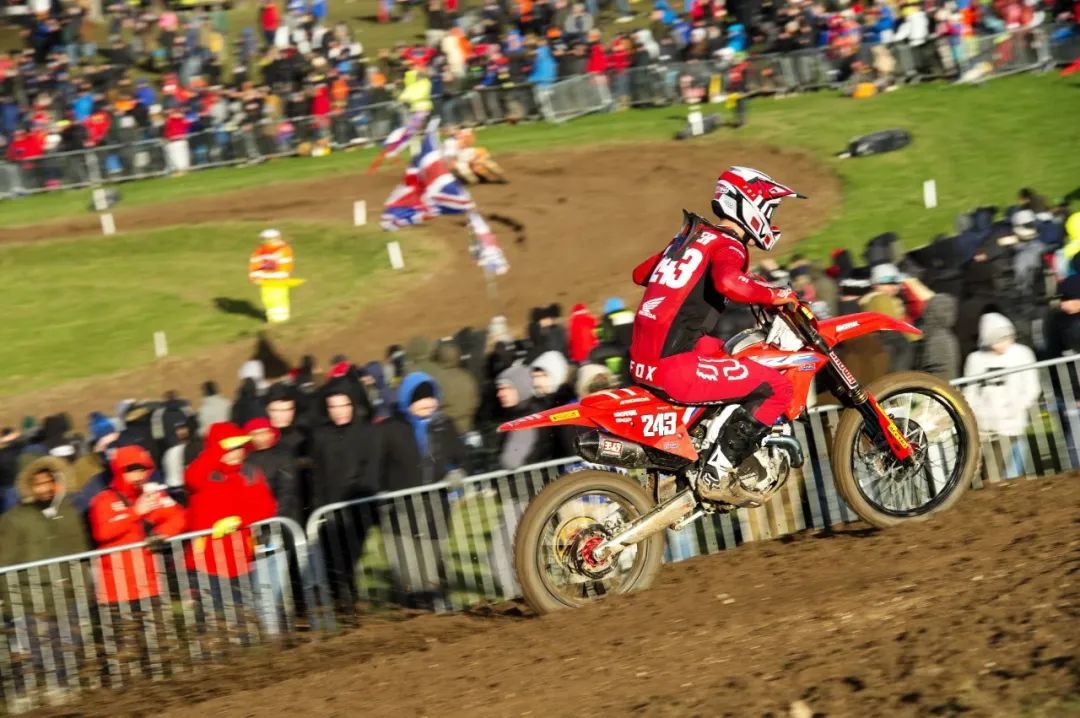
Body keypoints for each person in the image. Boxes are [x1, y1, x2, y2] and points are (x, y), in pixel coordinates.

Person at [628, 166, 800, 500]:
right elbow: (729, 282)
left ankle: (703, 439)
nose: (771, 219)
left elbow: (640, 274)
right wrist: (775, 294)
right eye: (769, 210)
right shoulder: (730, 245)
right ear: (749, 205)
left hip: (642, 360)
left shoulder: (691, 237)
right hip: (673, 367)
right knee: (777, 388)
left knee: (723, 350)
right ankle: (717, 470)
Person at [88, 446, 186, 605]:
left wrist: (161, 534)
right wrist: (135, 512)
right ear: (119, 471)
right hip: (116, 591)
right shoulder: (103, 500)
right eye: (131, 470)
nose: (138, 475)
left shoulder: (154, 496)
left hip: (150, 586)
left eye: (142, 470)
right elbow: (102, 532)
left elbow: (180, 516)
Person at [962, 313, 1040, 479]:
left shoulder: (1022, 354)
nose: (1003, 343)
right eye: (997, 340)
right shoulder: (975, 359)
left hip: (1010, 422)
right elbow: (970, 392)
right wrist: (974, 416)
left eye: (1007, 338)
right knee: (980, 471)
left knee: (999, 471)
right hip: (983, 424)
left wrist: (1017, 407)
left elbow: (1032, 386)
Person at [249, 228, 296, 323]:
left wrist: (279, 275)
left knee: (278, 299)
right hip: (265, 281)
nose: (267, 241)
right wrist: (255, 277)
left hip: (278, 281)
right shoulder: (260, 250)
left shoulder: (283, 249)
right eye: (265, 239)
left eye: (269, 239)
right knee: (267, 299)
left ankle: (281, 321)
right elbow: (255, 264)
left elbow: (285, 266)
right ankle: (272, 320)